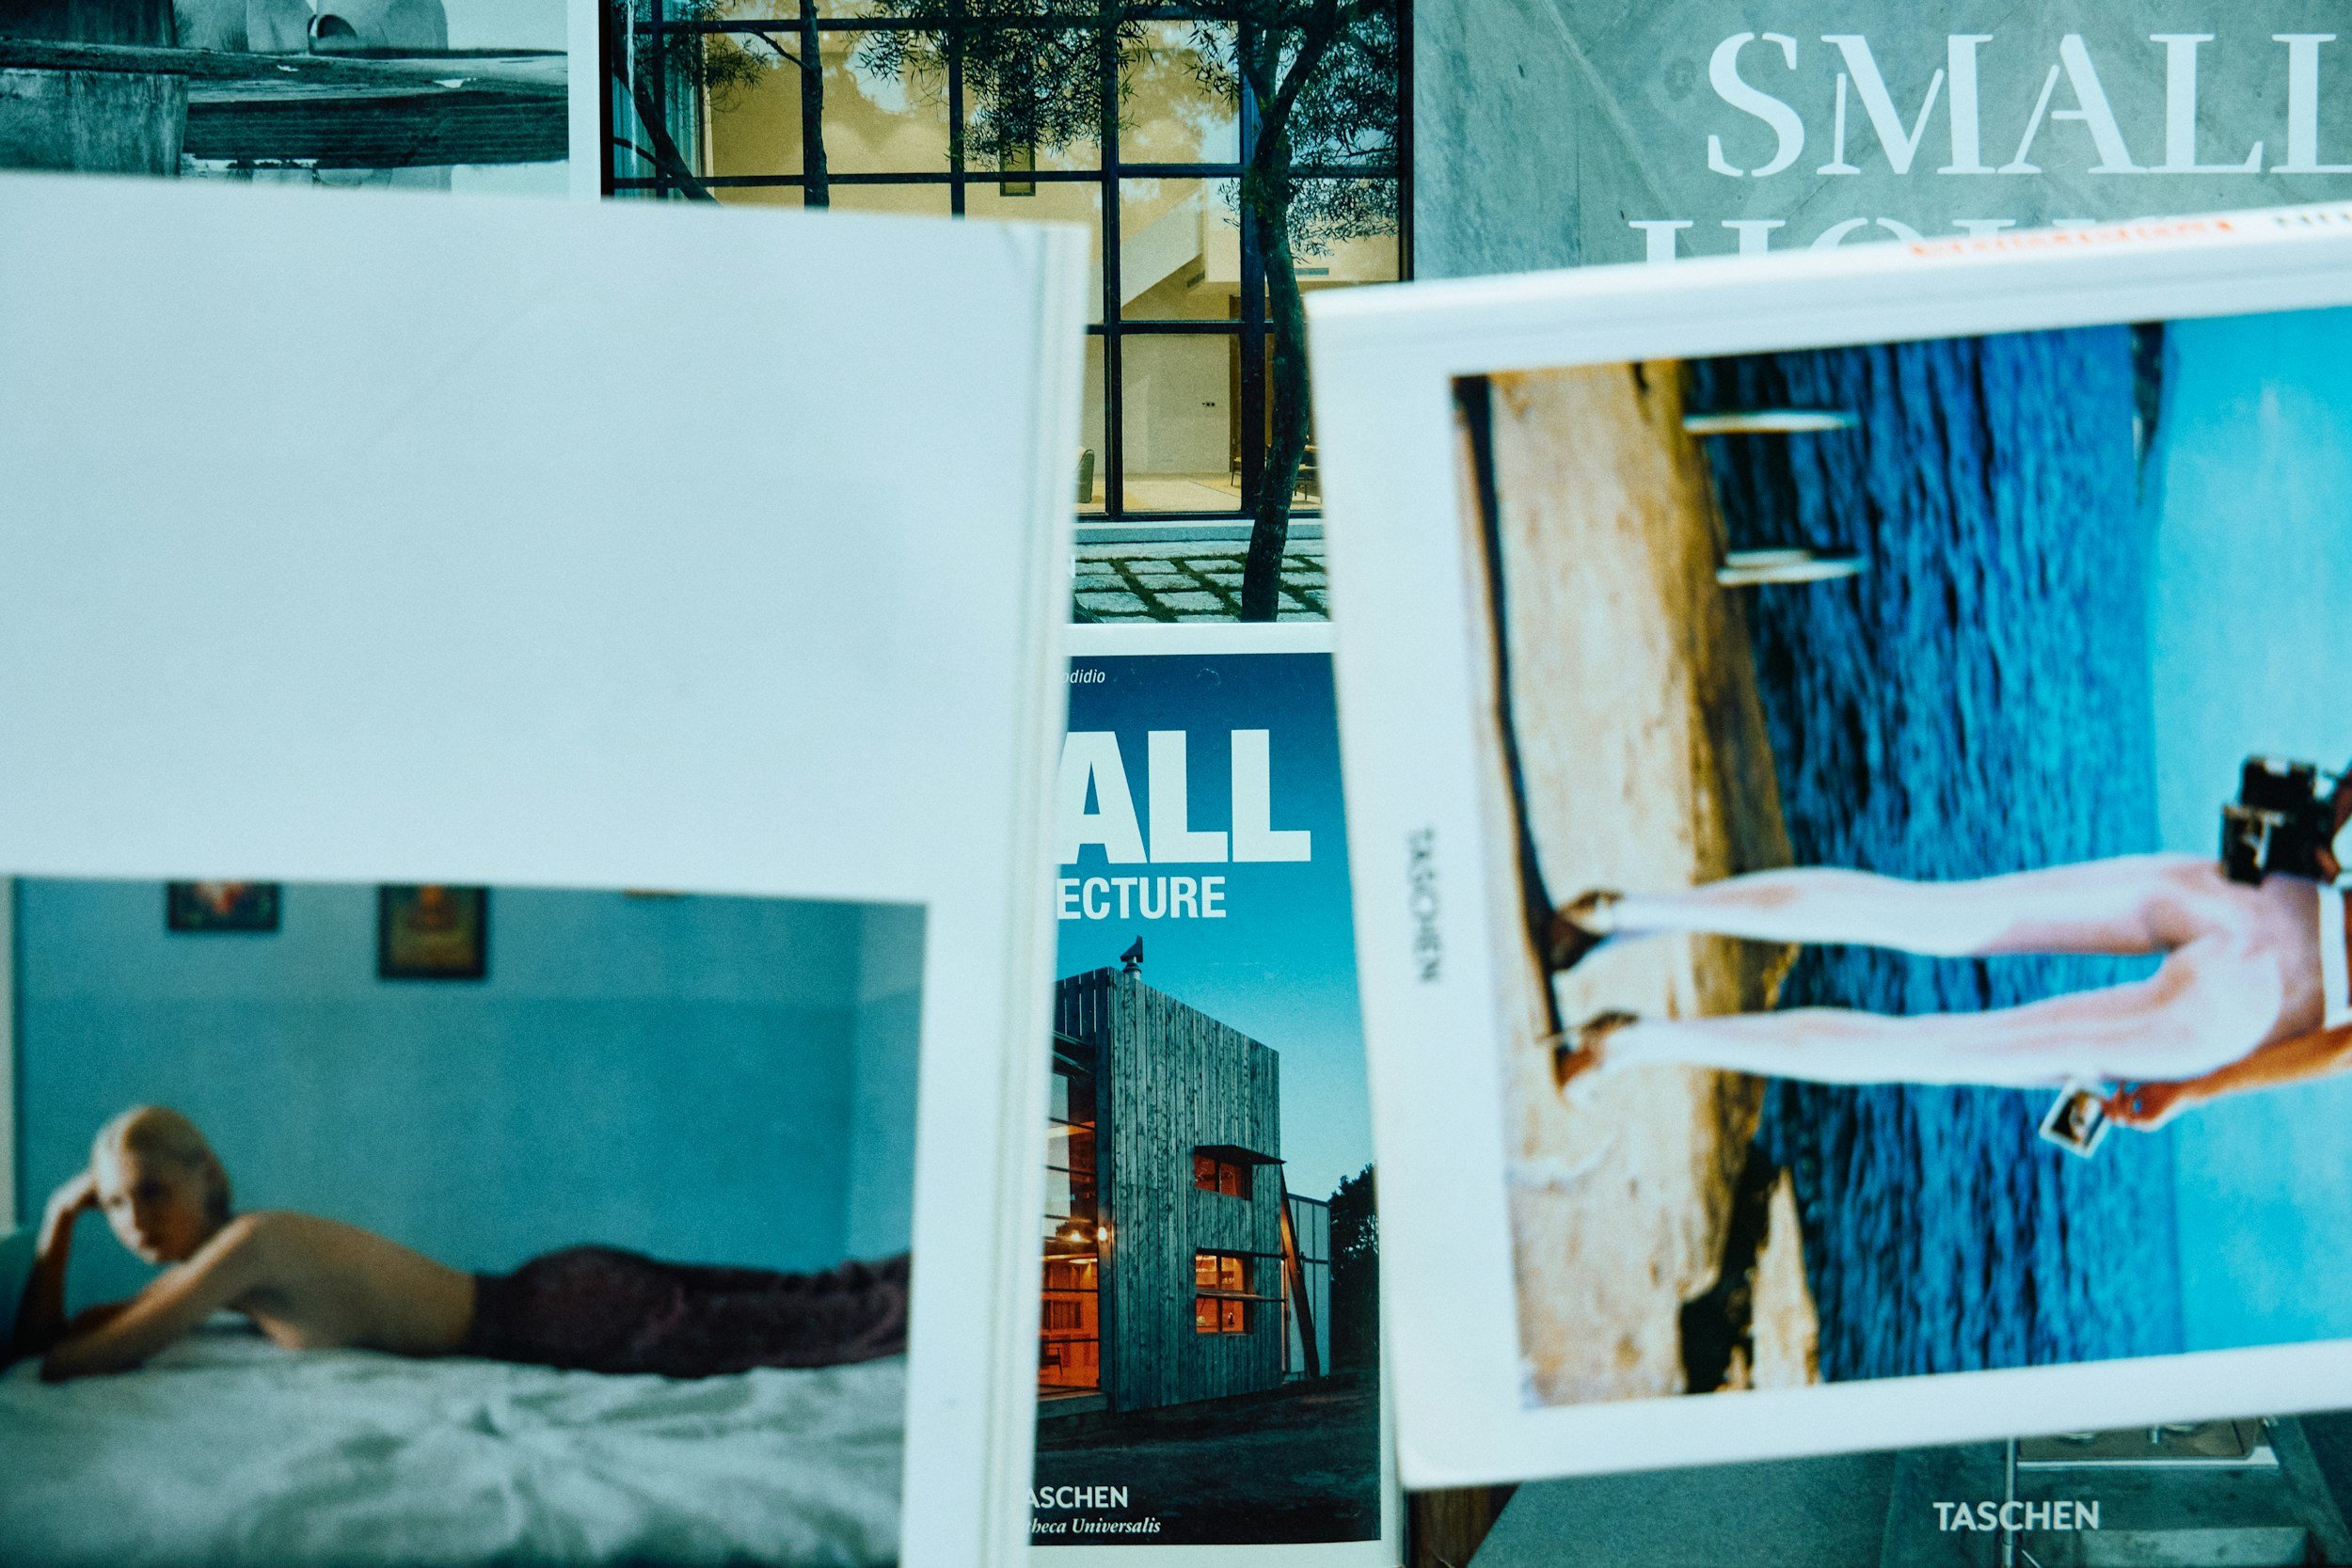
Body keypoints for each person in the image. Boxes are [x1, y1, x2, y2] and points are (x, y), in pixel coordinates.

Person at [1547, 783, 2350, 1129]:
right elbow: (2340, 1048)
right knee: (1932, 1047)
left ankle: (1620, 912)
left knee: (1932, 911)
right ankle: (1631, 1042)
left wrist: (2327, 818)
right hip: (2263, 1005)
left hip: (2274, 895)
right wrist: (2199, 1089)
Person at [7, 1106, 909, 1383]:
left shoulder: (248, 1243)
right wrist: (54, 1227)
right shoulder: (215, 1279)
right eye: (117, 1208)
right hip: (561, 1290)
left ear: (207, 1173)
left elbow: (76, 1361)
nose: (135, 1224)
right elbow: (53, 1342)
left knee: (842, 1319)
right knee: (830, 1293)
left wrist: (64, 1228)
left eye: (152, 1193)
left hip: (559, 1315)